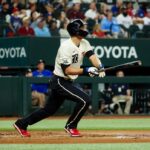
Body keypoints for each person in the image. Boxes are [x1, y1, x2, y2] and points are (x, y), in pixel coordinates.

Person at [13, 19, 105, 137]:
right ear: (76, 30)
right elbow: (67, 70)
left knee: (48, 110)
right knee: (85, 100)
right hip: (59, 81)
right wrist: (86, 70)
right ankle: (71, 126)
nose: (85, 29)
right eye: (82, 27)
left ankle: (21, 124)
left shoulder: (84, 43)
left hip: (67, 81)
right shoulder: (65, 46)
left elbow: (92, 57)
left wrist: (100, 66)